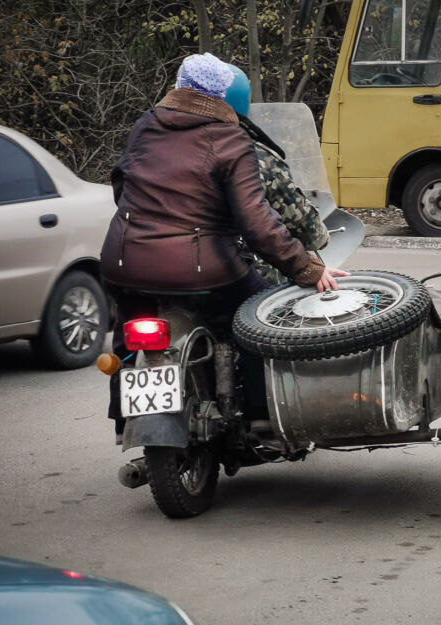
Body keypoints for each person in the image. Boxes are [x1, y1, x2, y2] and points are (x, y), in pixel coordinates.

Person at [100, 53, 348, 441]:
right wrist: (306, 268)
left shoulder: (145, 125)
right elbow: (258, 223)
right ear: (221, 97)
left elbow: (122, 186)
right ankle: (262, 418)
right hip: (203, 271)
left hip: (125, 263)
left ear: (180, 86)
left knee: (129, 330)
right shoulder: (233, 141)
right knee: (261, 316)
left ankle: (122, 418)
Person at [222, 64, 330, 285]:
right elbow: (304, 227)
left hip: (158, 270)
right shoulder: (255, 157)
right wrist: (320, 236)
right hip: (237, 276)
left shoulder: (157, 148)